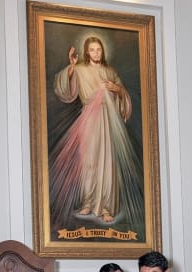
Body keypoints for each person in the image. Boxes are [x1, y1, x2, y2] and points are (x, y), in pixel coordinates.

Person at [49, 36, 144, 231]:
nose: (96, 53)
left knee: (107, 162)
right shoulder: (81, 70)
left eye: (99, 50)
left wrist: (117, 89)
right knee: (89, 160)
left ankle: (107, 207)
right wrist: (71, 67)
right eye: (92, 50)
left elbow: (123, 98)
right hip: (89, 119)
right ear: (87, 52)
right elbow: (64, 89)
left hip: (108, 119)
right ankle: (89, 203)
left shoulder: (110, 72)